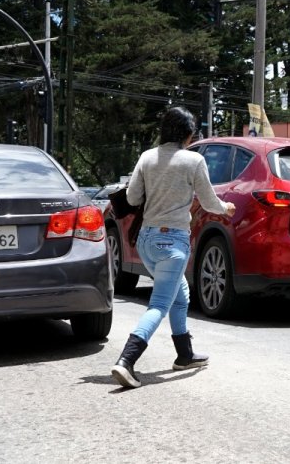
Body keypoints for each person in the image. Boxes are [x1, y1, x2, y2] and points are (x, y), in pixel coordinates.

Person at [111, 107, 236, 389]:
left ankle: (185, 354)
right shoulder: (193, 160)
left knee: (180, 293)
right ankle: (126, 361)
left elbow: (132, 197)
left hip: (146, 242)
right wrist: (226, 209)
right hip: (173, 243)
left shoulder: (146, 157)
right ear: (187, 134)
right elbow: (209, 202)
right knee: (159, 304)